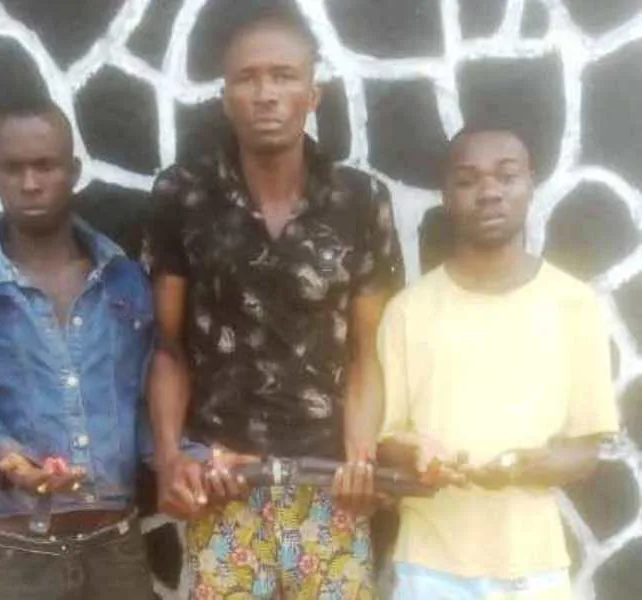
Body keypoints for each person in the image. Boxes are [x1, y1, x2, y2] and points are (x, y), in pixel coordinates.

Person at [144, 6, 404, 598]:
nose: (265, 94)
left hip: (329, 487)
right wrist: (170, 459)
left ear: (313, 94)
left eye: (284, 76)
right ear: (225, 97)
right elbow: (167, 346)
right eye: (247, 78)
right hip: (224, 485)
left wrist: (362, 460)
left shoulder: (361, 201)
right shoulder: (183, 195)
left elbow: (367, 354)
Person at [0, 99, 155, 600]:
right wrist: (6, 457)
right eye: (13, 168)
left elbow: (149, 397)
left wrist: (187, 458)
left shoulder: (125, 280)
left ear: (74, 171)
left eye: (45, 165)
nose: (30, 182)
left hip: (116, 547)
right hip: (17, 554)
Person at [377, 126, 619, 599]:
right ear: (446, 197)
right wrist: (419, 454)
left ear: (530, 185)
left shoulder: (574, 304)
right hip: (429, 565)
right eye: (468, 180)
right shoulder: (408, 311)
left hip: (533, 566)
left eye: (506, 177)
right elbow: (385, 443)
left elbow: (585, 452)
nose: (489, 192)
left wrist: (527, 466)